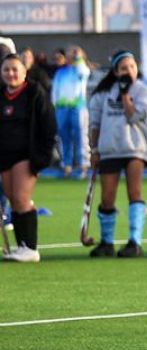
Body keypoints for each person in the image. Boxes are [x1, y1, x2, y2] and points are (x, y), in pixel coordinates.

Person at [87, 51, 147, 258]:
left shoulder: (141, 90)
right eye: (124, 68)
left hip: (134, 148)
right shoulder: (102, 93)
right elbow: (95, 123)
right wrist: (94, 149)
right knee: (107, 197)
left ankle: (135, 241)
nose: (129, 71)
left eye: (132, 67)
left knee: (134, 193)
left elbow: (135, 116)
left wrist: (125, 95)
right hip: (109, 149)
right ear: (115, 71)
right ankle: (107, 242)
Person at [0, 53, 56, 263]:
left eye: (15, 69)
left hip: (27, 155)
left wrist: (42, 155)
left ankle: (31, 248)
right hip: (5, 155)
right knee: (12, 199)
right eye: (6, 69)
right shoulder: (1, 94)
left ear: (24, 72)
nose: (11, 74)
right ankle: (21, 246)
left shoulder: (35, 93)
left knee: (22, 198)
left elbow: (48, 125)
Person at [52, 46, 90, 179]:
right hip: (62, 108)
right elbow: (55, 90)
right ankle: (66, 166)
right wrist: (55, 105)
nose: (70, 56)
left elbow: (84, 72)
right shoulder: (60, 72)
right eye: (68, 54)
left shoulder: (81, 69)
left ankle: (83, 166)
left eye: (72, 54)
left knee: (80, 136)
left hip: (77, 108)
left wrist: (78, 57)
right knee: (64, 136)